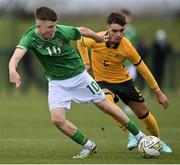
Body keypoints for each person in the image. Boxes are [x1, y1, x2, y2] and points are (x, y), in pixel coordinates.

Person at [9, 7, 146, 159]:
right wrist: (12, 70)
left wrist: (98, 38)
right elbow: (16, 56)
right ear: (39, 26)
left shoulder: (62, 31)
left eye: (54, 25)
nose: (54, 29)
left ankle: (140, 136)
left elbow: (82, 30)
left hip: (79, 76)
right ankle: (88, 145)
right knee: (57, 119)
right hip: (56, 82)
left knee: (106, 106)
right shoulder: (30, 37)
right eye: (50, 27)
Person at [77, 12, 172, 153]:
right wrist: (86, 63)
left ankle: (156, 141)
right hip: (103, 82)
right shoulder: (96, 39)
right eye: (114, 31)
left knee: (145, 114)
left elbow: (143, 69)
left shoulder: (127, 46)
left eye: (121, 31)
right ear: (107, 28)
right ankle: (132, 135)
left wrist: (158, 92)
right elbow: (80, 41)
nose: (118, 34)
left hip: (124, 82)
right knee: (108, 104)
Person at [120, 9, 137, 116]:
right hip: (118, 63)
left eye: (126, 17)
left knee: (130, 85)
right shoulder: (116, 30)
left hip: (129, 63)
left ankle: (129, 106)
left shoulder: (132, 31)